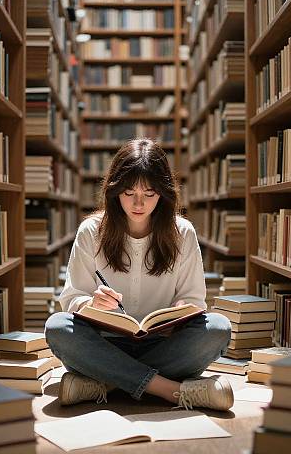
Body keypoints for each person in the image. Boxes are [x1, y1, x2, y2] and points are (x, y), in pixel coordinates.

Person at [45, 138, 233, 411]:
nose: (138, 203)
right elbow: (72, 297)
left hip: (162, 344)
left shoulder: (183, 233)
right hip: (104, 343)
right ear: (114, 191)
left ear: (164, 194)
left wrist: (180, 312)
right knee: (58, 327)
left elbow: (194, 300)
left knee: (218, 328)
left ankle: (106, 382)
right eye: (129, 192)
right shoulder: (90, 232)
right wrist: (90, 303)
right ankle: (172, 390)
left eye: (150, 194)